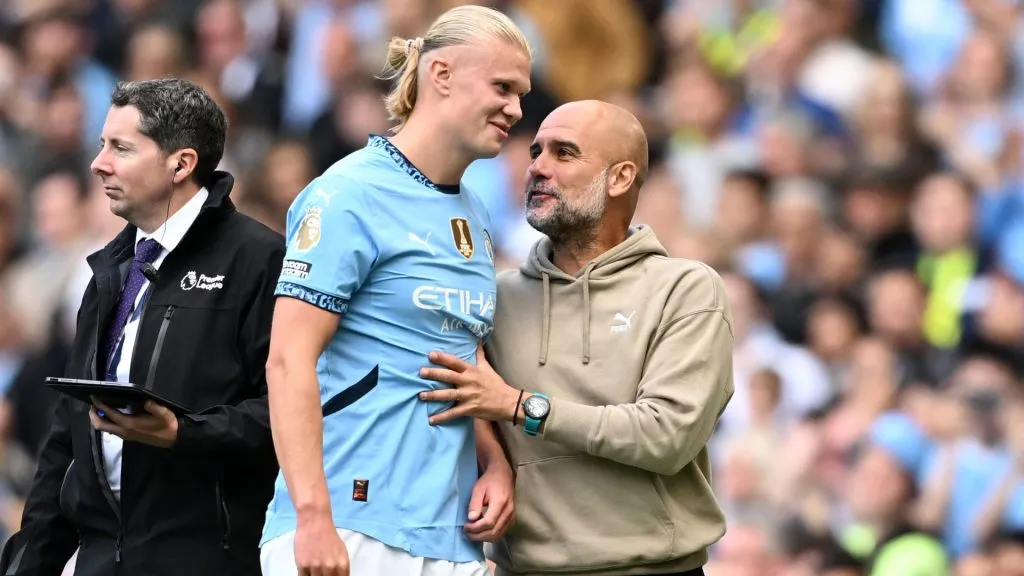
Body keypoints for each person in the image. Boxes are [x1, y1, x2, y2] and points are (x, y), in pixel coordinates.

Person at [258, 5, 531, 576]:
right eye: (502, 87)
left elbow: (456, 352)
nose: (517, 109)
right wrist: (312, 517)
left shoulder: (476, 213)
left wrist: (495, 459)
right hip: (348, 528)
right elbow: (287, 359)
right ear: (442, 75)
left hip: (449, 532)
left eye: (522, 93)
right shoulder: (347, 194)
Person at [417, 100, 734, 576]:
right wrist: (496, 459)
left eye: (564, 153)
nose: (538, 167)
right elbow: (459, 394)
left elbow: (667, 436)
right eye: (537, 152)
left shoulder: (685, 288)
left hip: (654, 568)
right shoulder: (492, 295)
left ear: (620, 178)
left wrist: (519, 406)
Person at [1, 78, 284, 576]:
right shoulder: (111, 267)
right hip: (100, 557)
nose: (98, 163)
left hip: (208, 558)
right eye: (101, 144)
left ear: (181, 163)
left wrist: (182, 432)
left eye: (121, 148)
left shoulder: (258, 260)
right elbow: (67, 438)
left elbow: (291, 411)